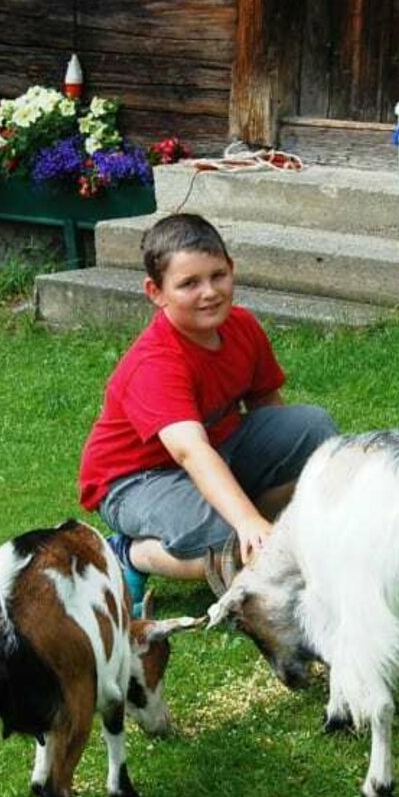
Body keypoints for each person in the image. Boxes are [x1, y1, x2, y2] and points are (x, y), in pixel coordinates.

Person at [79, 213, 337, 604]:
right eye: (189, 284)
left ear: (231, 268)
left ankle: (253, 523)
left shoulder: (243, 326)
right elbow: (190, 451)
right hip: (137, 479)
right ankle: (132, 554)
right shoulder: (156, 362)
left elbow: (268, 406)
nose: (210, 292)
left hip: (219, 449)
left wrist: (293, 483)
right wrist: (247, 520)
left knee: (312, 427)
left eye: (218, 275)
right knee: (233, 544)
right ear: (156, 291)